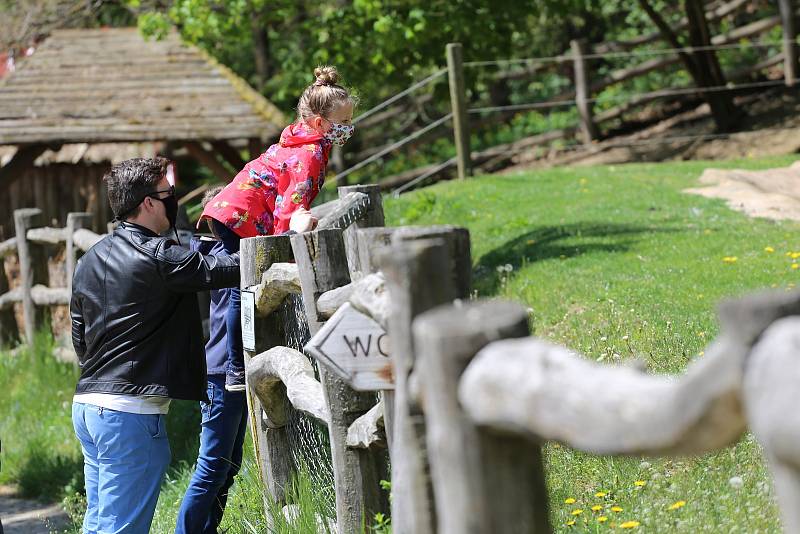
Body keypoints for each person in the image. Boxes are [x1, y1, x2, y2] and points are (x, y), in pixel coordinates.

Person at [70, 157, 241, 534]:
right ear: (148, 202)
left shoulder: (89, 259)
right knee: (121, 529)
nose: (174, 200)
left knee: (99, 524)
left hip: (88, 407)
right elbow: (228, 267)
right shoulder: (159, 255)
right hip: (129, 414)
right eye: (168, 194)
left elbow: (79, 337)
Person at [198, 64, 357, 391]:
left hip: (233, 212)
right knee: (240, 289)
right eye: (343, 123)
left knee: (241, 287)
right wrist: (289, 239)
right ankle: (237, 367)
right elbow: (290, 202)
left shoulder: (302, 141)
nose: (348, 129)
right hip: (237, 216)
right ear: (319, 123)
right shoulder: (310, 151)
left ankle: (239, 361)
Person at [175, 187, 249, 534]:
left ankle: (207, 529)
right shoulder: (230, 255)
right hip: (222, 372)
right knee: (212, 465)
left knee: (229, 464)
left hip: (224, 370)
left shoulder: (222, 250)